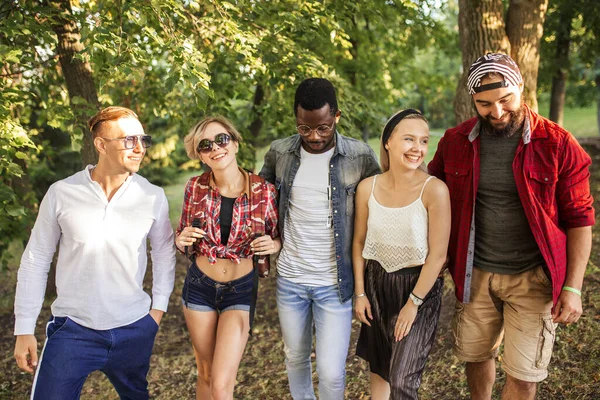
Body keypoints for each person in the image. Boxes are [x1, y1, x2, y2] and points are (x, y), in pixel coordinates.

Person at [428, 53, 595, 400]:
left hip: (533, 278)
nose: (497, 112)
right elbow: (428, 194)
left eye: (506, 100)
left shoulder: (559, 144)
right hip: (475, 275)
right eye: (484, 104)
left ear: (521, 87)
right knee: (475, 357)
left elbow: (580, 219)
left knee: (524, 375)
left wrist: (573, 288)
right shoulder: (455, 142)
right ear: (472, 100)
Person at [13, 106, 176, 400]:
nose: (139, 148)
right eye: (129, 140)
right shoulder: (61, 193)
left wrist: (157, 312)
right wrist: (24, 327)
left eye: (143, 139)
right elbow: (36, 259)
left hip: (135, 327)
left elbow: (164, 254)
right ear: (101, 145)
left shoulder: (153, 196)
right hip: (73, 330)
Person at [259, 77, 380, 399]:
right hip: (291, 280)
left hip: (335, 284)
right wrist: (270, 240)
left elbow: (382, 206)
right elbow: (259, 200)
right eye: (305, 128)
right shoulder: (280, 153)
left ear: (336, 116)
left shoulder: (360, 157)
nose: (314, 136)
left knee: (330, 371)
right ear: (296, 120)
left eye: (323, 128)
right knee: (295, 357)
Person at [175, 116, 280, 400]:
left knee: (222, 385)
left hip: (239, 289)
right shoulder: (194, 188)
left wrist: (273, 244)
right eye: (205, 145)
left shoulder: (264, 191)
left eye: (221, 140)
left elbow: (277, 237)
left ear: (234, 143)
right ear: (200, 156)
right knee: (206, 375)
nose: (215, 148)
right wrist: (180, 239)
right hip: (199, 286)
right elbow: (182, 237)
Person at [352, 109, 450, 399]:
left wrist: (413, 304)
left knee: (403, 379)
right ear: (388, 142)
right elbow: (358, 244)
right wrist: (360, 293)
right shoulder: (367, 188)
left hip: (418, 288)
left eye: (423, 141)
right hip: (376, 284)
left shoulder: (435, 190)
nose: (417, 149)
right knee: (380, 369)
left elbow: (438, 256)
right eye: (409, 139)